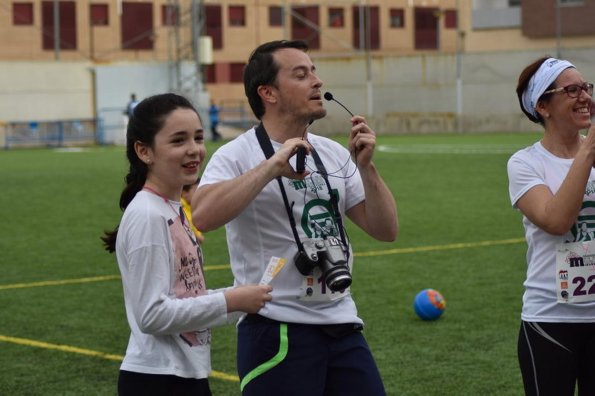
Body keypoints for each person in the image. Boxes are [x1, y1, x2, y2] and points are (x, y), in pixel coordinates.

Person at [192, 40, 398, 395]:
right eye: (301, 74)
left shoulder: (333, 153)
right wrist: (271, 166)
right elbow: (204, 215)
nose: (316, 81)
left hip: (342, 321)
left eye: (314, 71)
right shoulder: (236, 155)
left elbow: (386, 230)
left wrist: (367, 169)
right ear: (268, 93)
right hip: (276, 328)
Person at [101, 93, 272, 396]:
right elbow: (152, 315)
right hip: (157, 379)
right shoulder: (147, 213)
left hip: (183, 374)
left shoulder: (172, 208)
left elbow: (183, 298)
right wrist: (231, 301)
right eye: (178, 141)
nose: (194, 150)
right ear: (144, 151)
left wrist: (241, 298)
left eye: (198, 137)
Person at [508, 56, 595, 396]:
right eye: (572, 90)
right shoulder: (526, 163)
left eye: (586, 87)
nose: (584, 96)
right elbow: (557, 220)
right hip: (550, 321)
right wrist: (587, 152)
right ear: (542, 106)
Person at [181, 177, 205, 243]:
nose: (199, 194)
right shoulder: (181, 209)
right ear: (184, 193)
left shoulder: (189, 208)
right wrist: (198, 237)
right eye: (195, 191)